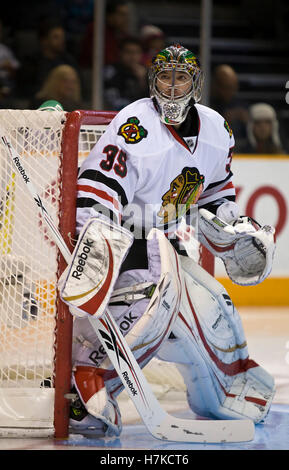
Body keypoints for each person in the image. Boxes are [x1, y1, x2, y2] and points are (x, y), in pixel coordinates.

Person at [60, 44, 276, 438]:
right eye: (165, 77)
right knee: (153, 299)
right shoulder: (135, 125)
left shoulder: (217, 130)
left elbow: (216, 194)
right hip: (127, 243)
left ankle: (225, 390)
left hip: (170, 247)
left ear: (196, 83)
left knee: (218, 309)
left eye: (181, 78)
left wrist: (232, 231)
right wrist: (98, 244)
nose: (173, 88)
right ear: (152, 80)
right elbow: (97, 190)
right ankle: (84, 386)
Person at [18, 18, 79, 99]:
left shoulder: (69, 61)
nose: (62, 41)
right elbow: (24, 90)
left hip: (67, 105)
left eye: (62, 37)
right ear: (44, 40)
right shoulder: (31, 62)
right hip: (39, 106)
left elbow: (79, 89)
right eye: (56, 37)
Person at [104, 37, 149, 111]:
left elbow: (148, 101)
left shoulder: (145, 72)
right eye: (128, 52)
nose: (133, 56)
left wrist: (142, 80)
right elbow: (111, 99)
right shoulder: (111, 71)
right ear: (120, 53)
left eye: (137, 52)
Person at [210, 64, 249, 147]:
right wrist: (223, 119)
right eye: (228, 87)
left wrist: (248, 121)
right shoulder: (207, 103)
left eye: (234, 87)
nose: (232, 91)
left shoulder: (241, 104)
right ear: (216, 86)